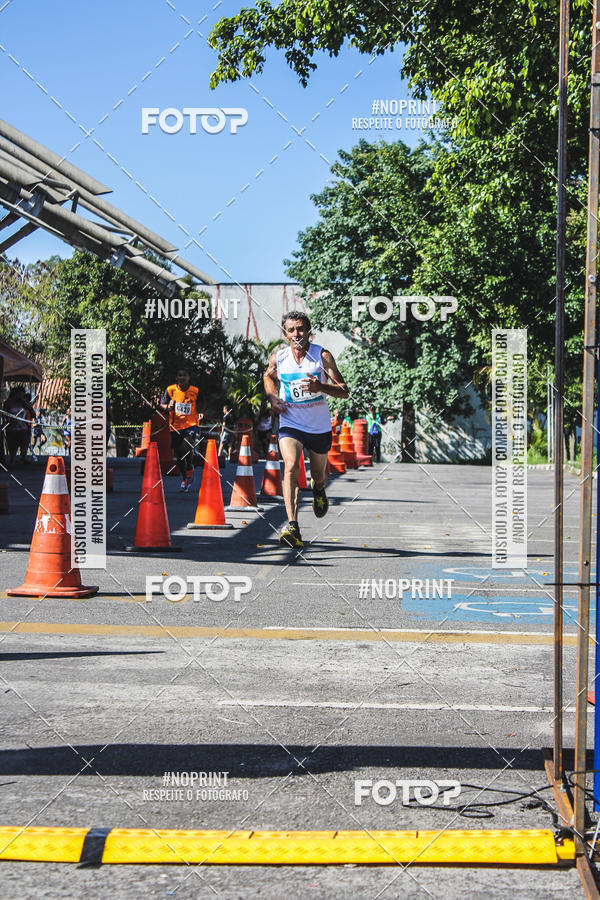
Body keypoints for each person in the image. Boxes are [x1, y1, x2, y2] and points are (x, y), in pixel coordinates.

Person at [264, 311, 349, 548]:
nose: (296, 334)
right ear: (285, 334)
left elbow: (343, 390)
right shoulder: (279, 358)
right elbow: (267, 377)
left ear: (309, 331)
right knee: (291, 465)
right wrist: (273, 398)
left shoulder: (321, 356)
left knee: (319, 477)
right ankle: (292, 526)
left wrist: (319, 385)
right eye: (291, 330)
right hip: (291, 422)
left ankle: (318, 489)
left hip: (318, 426)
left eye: (300, 329)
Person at [159, 367, 203, 491]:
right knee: (178, 454)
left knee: (186, 447)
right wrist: (168, 406)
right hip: (175, 426)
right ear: (176, 378)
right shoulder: (170, 390)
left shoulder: (195, 390)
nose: (182, 378)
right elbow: (162, 405)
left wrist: (201, 412)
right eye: (179, 375)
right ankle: (184, 478)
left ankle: (189, 467)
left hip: (191, 424)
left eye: (184, 375)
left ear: (189, 378)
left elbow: (202, 401)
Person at [3, 386, 34, 465]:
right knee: (12, 446)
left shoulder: (23, 402)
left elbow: (32, 412)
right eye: (21, 393)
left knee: (24, 444)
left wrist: (25, 402)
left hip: (22, 428)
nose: (22, 395)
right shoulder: (8, 402)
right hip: (11, 428)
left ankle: (23, 458)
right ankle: (12, 459)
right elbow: (4, 414)